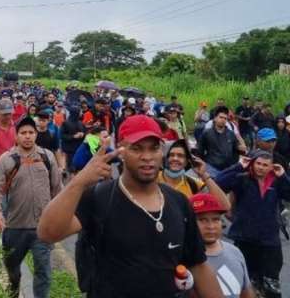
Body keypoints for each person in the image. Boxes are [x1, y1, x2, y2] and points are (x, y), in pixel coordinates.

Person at [37, 115, 223, 297]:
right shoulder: (99, 197)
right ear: (121, 150)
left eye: (154, 148)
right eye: (137, 148)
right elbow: (48, 233)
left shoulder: (179, 202)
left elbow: (198, 265)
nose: (147, 157)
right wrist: (79, 182)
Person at [0, 117, 62, 298]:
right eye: (23, 133)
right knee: (12, 269)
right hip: (14, 227)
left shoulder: (47, 157)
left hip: (41, 228)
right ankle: (14, 290)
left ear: (36, 135)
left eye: (31, 133)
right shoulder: (7, 159)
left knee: (43, 272)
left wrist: (60, 216)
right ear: (17, 135)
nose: (27, 137)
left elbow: (58, 190)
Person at [215, 150, 289, 297]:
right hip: (245, 238)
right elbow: (218, 183)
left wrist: (283, 176)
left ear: (271, 167)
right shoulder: (242, 178)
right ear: (252, 164)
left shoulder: (276, 181)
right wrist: (238, 166)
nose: (261, 167)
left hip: (269, 240)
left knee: (271, 284)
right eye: (258, 163)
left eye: (265, 165)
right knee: (248, 282)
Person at [190, 193, 256, 298]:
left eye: (216, 219)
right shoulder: (182, 258)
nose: (211, 226)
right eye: (202, 220)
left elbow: (246, 293)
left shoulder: (235, 251)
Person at [157, 139, 231, 209]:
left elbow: (225, 206)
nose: (175, 158)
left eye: (180, 156)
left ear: (187, 162)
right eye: (171, 155)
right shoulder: (153, 179)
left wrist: (204, 175)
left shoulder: (194, 184)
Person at [197, 106, 242, 178]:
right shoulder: (207, 133)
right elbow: (200, 151)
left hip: (227, 169)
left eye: (225, 118)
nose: (223, 120)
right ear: (215, 118)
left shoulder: (231, 134)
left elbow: (235, 151)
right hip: (211, 168)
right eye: (221, 117)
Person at [60, 107, 85, 176]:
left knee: (79, 168)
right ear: (75, 113)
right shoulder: (65, 123)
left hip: (79, 149)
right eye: (80, 112)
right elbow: (62, 136)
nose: (81, 113)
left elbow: (84, 132)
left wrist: (83, 134)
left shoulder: (80, 123)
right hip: (70, 150)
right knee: (72, 169)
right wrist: (73, 136)